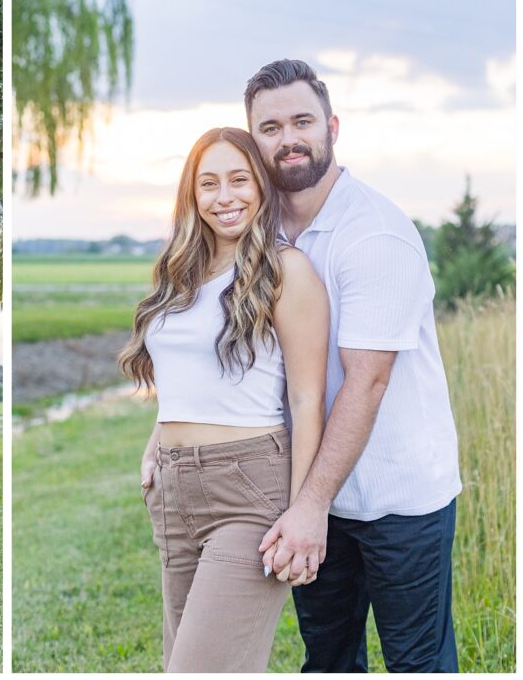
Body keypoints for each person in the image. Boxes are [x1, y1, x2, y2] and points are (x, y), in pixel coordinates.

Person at [245, 59, 462, 672]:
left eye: (302, 121)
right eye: (270, 127)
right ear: (253, 139)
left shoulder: (373, 234)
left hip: (399, 498)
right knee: (330, 659)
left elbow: (366, 382)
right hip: (315, 493)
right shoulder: (261, 237)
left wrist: (309, 505)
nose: (288, 138)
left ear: (331, 127)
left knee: (416, 662)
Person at [120, 127, 329, 672]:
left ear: (260, 186)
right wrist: (154, 445)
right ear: (192, 195)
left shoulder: (286, 270)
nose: (225, 196)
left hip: (248, 487)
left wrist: (308, 509)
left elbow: (307, 400)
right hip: (173, 488)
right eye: (208, 183)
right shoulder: (180, 273)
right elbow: (186, 375)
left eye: (239, 180)